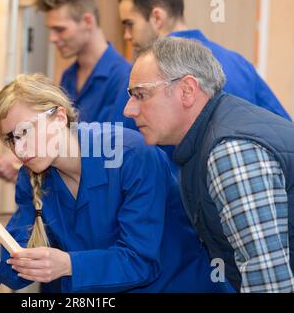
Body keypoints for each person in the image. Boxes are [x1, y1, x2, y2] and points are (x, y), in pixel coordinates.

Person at [0, 73, 229, 293]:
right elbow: (18, 270)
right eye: (11, 139)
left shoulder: (130, 156)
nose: (20, 148)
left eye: (25, 131)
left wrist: (69, 265)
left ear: (60, 117)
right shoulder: (32, 176)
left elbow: (141, 262)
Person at [124, 36, 294, 293]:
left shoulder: (230, 151)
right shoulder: (207, 138)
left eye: (141, 95)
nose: (129, 110)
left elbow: (268, 281)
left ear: (187, 90)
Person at [0, 0, 137, 183]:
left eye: (60, 29)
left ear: (87, 21)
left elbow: (113, 156)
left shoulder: (125, 79)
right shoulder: (68, 77)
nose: (52, 38)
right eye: (50, 30)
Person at [118, 0, 292, 121]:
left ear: (157, 17)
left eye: (129, 24)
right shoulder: (239, 63)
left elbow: (125, 147)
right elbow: (283, 131)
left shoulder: (144, 77)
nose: (126, 35)